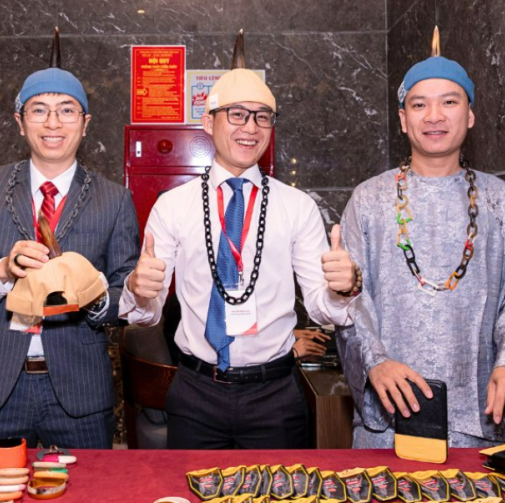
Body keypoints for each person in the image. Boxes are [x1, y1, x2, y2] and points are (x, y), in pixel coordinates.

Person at [119, 31, 360, 449]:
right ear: (208, 122)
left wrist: (343, 289)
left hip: (275, 395)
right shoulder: (173, 206)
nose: (250, 127)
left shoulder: (297, 207)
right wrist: (138, 291)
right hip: (195, 391)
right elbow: (145, 314)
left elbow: (323, 309)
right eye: (237, 114)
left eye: (262, 116)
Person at [336, 28, 505, 448]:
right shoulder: (369, 199)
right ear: (403, 119)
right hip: (389, 420)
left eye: (449, 102)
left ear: (469, 115)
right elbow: (351, 303)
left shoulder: (499, 200)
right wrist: (375, 363)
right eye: (419, 105)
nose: (434, 116)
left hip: (478, 416)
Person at [0, 29, 139, 448]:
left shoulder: (114, 200)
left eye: (66, 110)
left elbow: (128, 296)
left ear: (85, 124)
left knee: (89, 484)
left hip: (80, 387)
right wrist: (3, 271)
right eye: (39, 110)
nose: (52, 123)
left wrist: (93, 295)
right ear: (19, 122)